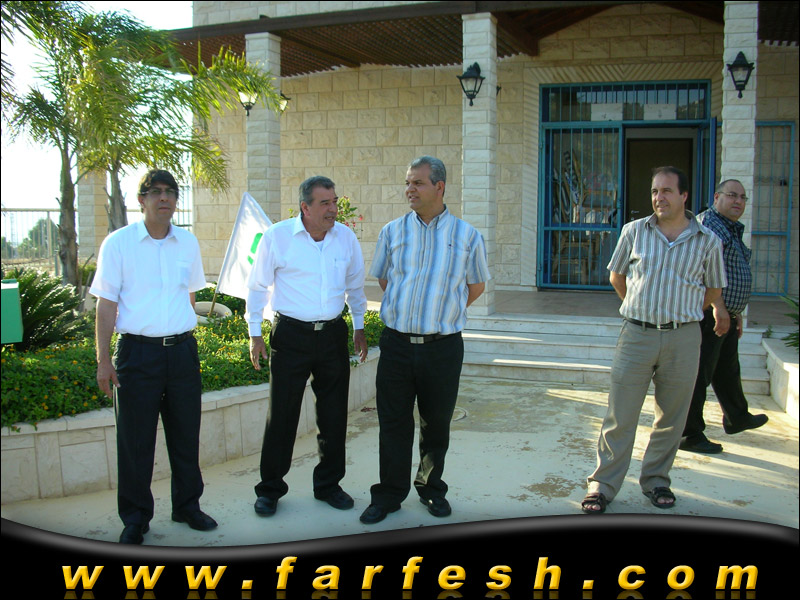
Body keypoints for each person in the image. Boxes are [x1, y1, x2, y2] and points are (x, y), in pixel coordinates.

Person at [581, 166, 726, 514]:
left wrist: (681, 312)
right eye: (655, 191)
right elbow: (617, 277)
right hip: (637, 335)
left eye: (666, 191)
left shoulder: (708, 241)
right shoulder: (633, 232)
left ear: (684, 195)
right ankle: (602, 485)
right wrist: (641, 307)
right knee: (620, 415)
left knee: (671, 418)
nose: (659, 198)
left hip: (683, 338)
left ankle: (657, 480)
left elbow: (712, 290)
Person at [359, 155, 490, 524]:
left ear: (439, 187)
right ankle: (389, 495)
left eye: (417, 182)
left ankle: (431, 489)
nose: (409, 189)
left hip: (442, 348)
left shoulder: (467, 236)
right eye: (407, 182)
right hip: (397, 345)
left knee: (436, 424)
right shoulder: (392, 232)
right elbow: (385, 279)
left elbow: (476, 285)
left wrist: (442, 312)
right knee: (393, 423)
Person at [93, 169, 217, 544]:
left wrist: (182, 333)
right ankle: (135, 518)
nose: (164, 198)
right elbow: (105, 304)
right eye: (156, 191)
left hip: (181, 354)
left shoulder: (187, 243)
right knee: (135, 442)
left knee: (185, 436)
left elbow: (190, 296)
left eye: (171, 192)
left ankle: (187, 506)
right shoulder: (118, 244)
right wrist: (103, 359)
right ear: (141, 200)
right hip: (137, 355)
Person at [246, 175, 368, 517]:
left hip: (332, 335)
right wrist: (255, 334)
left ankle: (328, 485)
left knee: (333, 415)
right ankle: (270, 489)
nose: (333, 209)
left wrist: (359, 326)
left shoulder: (345, 238)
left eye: (335, 201)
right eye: (325, 203)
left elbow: (356, 286)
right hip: (291, 336)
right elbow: (257, 287)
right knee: (282, 416)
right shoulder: (278, 237)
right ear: (305, 207)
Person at [679, 179, 768, 454]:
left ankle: (737, 417)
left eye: (742, 197)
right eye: (732, 195)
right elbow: (703, 269)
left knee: (726, 368)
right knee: (700, 374)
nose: (738, 201)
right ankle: (689, 434)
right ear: (717, 197)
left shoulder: (728, 227)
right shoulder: (710, 225)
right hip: (708, 313)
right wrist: (719, 307)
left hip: (724, 312)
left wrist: (734, 312)